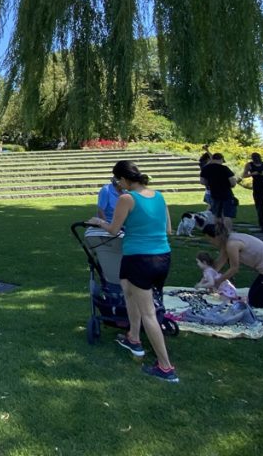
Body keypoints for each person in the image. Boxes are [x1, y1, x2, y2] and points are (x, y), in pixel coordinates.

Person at [87, 160, 178, 383]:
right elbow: (167, 229)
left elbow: (113, 228)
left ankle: (166, 367)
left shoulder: (126, 199)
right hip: (161, 256)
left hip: (140, 258)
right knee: (127, 289)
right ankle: (133, 338)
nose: (119, 185)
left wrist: (99, 221)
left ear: (125, 179)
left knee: (147, 311)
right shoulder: (158, 196)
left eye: (119, 180)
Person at [201, 223, 263, 307]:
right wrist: (207, 278)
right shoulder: (227, 241)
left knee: (257, 303)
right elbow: (218, 264)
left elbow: (234, 269)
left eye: (210, 240)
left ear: (217, 237)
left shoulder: (232, 244)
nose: (211, 243)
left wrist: (218, 281)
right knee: (253, 298)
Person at [200, 153, 239, 232]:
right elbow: (233, 182)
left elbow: (202, 181)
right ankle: (228, 232)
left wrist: (211, 183)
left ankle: (218, 232)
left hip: (214, 193)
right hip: (226, 193)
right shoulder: (224, 168)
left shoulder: (206, 168)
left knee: (217, 214)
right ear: (221, 159)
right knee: (227, 214)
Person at [242, 152, 263, 232]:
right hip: (257, 185)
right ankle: (262, 224)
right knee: (259, 206)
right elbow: (244, 175)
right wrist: (252, 173)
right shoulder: (249, 165)